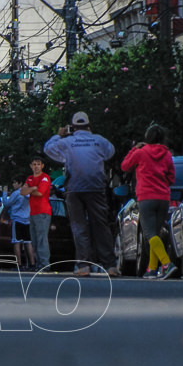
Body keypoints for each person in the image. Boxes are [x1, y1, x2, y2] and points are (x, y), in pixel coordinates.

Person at [44, 112, 119, 276]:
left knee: (79, 227)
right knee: (101, 225)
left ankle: (83, 265)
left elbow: (48, 149)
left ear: (73, 127)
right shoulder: (98, 140)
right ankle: (110, 265)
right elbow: (110, 152)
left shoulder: (68, 142)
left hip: (75, 188)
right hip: (96, 187)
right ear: (89, 126)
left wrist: (58, 135)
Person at [121, 123, 178, 279]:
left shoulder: (141, 153)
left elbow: (125, 166)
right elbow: (171, 178)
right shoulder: (167, 155)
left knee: (150, 234)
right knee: (156, 234)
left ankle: (167, 263)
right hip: (163, 198)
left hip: (146, 197)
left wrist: (134, 148)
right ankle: (151, 269)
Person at [21, 157, 52, 270]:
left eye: (38, 164)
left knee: (41, 238)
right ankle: (39, 264)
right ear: (31, 166)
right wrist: (33, 187)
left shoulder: (45, 178)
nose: (36, 166)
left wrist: (31, 188)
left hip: (43, 212)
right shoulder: (29, 178)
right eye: (34, 164)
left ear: (42, 166)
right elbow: (22, 192)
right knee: (34, 239)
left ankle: (44, 264)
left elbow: (40, 192)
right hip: (32, 212)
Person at [3, 178, 36, 270]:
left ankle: (19, 264)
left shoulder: (17, 193)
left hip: (17, 219)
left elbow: (7, 203)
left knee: (16, 242)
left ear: (20, 183)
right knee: (28, 242)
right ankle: (32, 264)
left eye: (14, 182)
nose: (13, 184)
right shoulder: (29, 194)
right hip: (27, 219)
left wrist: (5, 193)